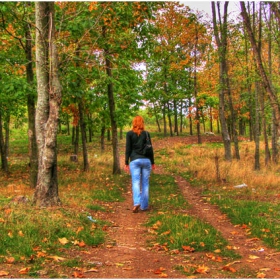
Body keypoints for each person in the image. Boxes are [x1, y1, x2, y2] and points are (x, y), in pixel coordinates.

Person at [125, 116, 155, 213]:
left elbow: (128, 149)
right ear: (142, 123)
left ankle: (137, 202)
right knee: (145, 183)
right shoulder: (146, 134)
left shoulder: (129, 134)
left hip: (134, 161)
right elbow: (150, 149)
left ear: (133, 123)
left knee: (135, 182)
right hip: (146, 161)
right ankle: (144, 206)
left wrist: (126, 162)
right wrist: (153, 162)